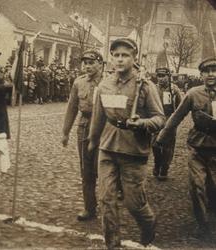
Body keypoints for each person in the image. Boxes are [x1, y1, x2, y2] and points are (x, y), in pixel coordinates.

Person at [88, 38, 165, 248]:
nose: (120, 60)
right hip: (108, 147)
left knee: (134, 203)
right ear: (111, 58)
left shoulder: (145, 86)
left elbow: (160, 119)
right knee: (106, 199)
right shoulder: (104, 85)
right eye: (116, 55)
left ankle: (148, 224)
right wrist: (93, 141)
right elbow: (98, 117)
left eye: (125, 55)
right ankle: (112, 244)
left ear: (134, 58)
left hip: (134, 151)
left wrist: (141, 123)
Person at [156, 58, 216, 238]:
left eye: (215, 70)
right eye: (207, 71)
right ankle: (203, 226)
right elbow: (176, 116)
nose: (211, 74)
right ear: (201, 74)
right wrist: (162, 136)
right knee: (197, 185)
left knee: (212, 186)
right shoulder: (193, 94)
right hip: (197, 146)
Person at [62, 50, 103, 221]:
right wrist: (65, 132)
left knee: (104, 168)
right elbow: (72, 108)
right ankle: (89, 207)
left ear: (100, 64)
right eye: (85, 63)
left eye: (91, 62)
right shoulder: (79, 83)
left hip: (105, 128)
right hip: (85, 126)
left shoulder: (109, 83)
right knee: (86, 169)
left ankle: (109, 205)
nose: (87, 66)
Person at [152, 67, 182, 180]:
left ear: (168, 76)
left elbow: (180, 106)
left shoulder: (174, 90)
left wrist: (174, 120)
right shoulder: (153, 89)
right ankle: (157, 163)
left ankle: (164, 168)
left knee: (167, 147)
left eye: (163, 76)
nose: (161, 78)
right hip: (156, 120)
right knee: (155, 145)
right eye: (159, 76)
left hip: (170, 120)